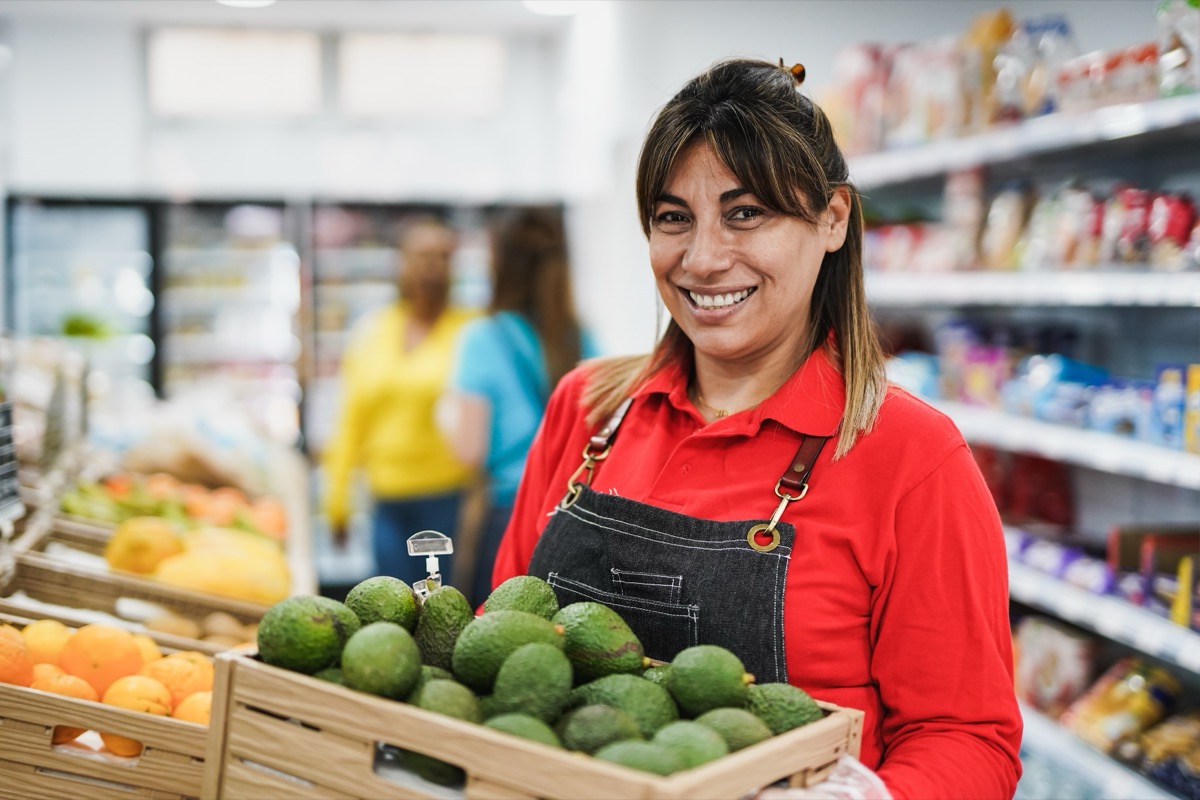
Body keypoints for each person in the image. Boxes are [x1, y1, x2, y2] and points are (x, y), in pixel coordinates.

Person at [490, 58, 1022, 799]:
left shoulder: (912, 458)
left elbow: (967, 738)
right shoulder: (588, 409)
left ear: (832, 219)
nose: (704, 259)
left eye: (746, 214)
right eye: (674, 217)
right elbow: (506, 634)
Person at [439, 207, 598, 607]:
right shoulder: (581, 338)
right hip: (576, 519)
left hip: (508, 518)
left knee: (497, 643)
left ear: (499, 263)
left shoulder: (483, 338)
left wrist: (443, 415)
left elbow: (468, 451)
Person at [322, 215, 477, 589]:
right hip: (385, 501)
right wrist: (337, 500)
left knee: (443, 610)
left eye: (442, 257)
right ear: (401, 263)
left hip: (449, 498)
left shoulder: (471, 332)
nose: (432, 268)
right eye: (422, 256)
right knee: (393, 606)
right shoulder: (374, 331)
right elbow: (351, 421)